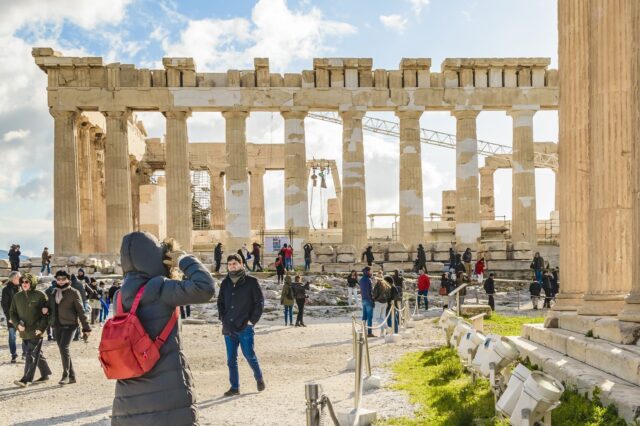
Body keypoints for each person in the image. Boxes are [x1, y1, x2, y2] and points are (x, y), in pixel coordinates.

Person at [111, 232, 215, 424]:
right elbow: (205, 287)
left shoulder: (118, 296)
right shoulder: (161, 288)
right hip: (169, 396)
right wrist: (184, 259)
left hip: (127, 399)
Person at [217, 253, 265, 397]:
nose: (232, 266)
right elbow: (220, 301)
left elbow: (259, 303)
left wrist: (251, 322)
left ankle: (259, 377)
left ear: (241, 264)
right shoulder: (225, 282)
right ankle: (234, 387)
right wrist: (222, 318)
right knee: (231, 359)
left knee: (249, 355)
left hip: (245, 327)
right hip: (228, 327)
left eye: (235, 264)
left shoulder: (251, 281)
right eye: (230, 264)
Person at [48, 270, 91, 385]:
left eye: (63, 279)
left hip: (70, 324)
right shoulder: (53, 292)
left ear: (68, 280)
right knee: (63, 351)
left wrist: (86, 328)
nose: (61, 281)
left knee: (63, 347)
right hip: (57, 325)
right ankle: (72, 376)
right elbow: (49, 306)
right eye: (58, 279)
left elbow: (81, 311)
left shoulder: (74, 292)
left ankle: (65, 375)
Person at [9, 273, 52, 387]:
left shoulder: (40, 295)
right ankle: (45, 373)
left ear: (32, 283)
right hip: (23, 331)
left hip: (36, 330)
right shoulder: (17, 296)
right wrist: (17, 324)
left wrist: (41, 328)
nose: (24, 284)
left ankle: (26, 380)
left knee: (30, 354)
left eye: (27, 282)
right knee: (36, 353)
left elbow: (46, 314)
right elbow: (12, 313)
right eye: (22, 282)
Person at [2, 271, 26, 362]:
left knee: (25, 335)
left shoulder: (22, 287)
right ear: (13, 278)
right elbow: (5, 305)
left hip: (23, 316)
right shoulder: (6, 290)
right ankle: (14, 355)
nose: (20, 278)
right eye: (18, 277)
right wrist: (9, 318)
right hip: (12, 317)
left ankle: (25, 354)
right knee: (12, 337)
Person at [71, 269, 89, 341]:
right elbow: (91, 292)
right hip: (84, 302)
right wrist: (86, 299)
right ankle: (85, 334)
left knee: (76, 319)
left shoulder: (71, 285)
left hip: (75, 303)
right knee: (84, 319)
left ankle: (77, 336)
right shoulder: (82, 284)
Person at [359, 267, 375, 337]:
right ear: (368, 272)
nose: (371, 273)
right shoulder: (369, 280)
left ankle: (363, 331)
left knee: (364, 316)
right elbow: (370, 292)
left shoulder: (361, 280)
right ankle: (369, 332)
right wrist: (372, 300)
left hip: (363, 299)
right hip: (368, 300)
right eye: (370, 272)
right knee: (369, 317)